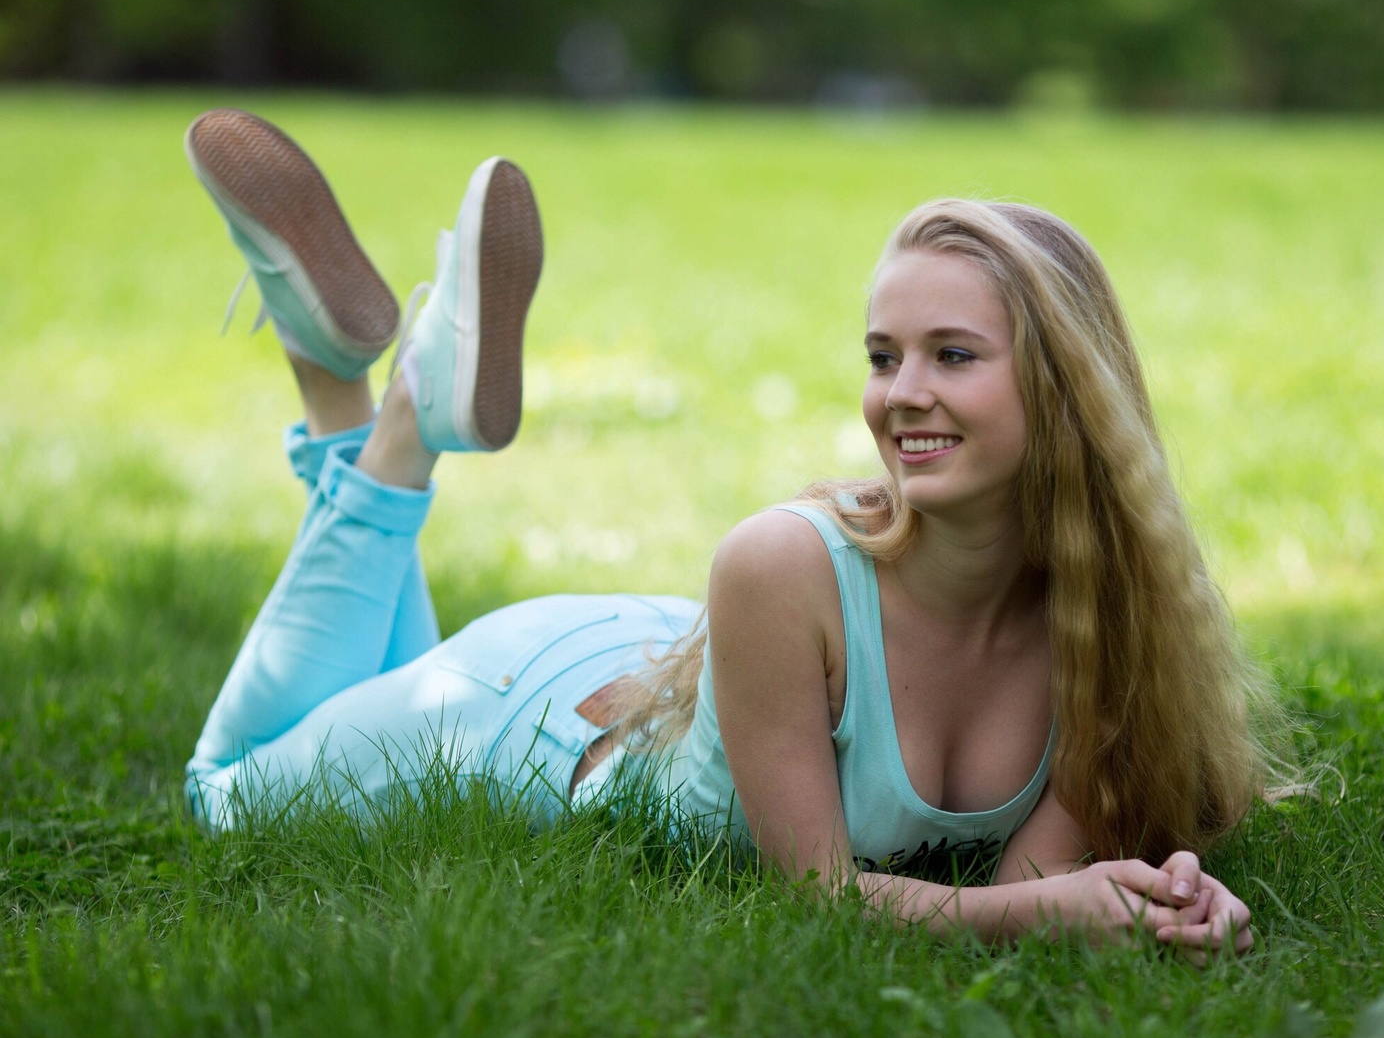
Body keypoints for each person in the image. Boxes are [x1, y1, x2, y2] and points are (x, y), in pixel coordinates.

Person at [183, 108, 1267, 959]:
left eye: (952, 356)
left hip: (687, 671)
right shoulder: (779, 561)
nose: (900, 395)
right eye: (884, 357)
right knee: (224, 791)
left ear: (1066, 387)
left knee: (346, 688)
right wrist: (1058, 910)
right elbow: (822, 902)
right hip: (522, 716)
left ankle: (339, 376)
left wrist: (1156, 901)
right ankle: (403, 425)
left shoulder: (1100, 612)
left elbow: (1022, 902)